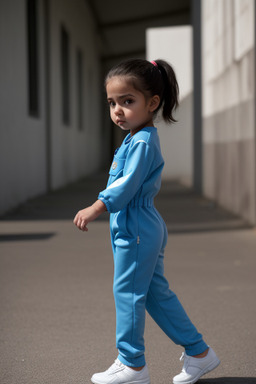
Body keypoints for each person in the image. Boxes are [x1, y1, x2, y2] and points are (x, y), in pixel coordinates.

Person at [73, 58, 220, 384]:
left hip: (136, 226)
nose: (118, 110)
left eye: (127, 101)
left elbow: (126, 185)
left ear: (152, 103)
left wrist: (98, 207)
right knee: (154, 294)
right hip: (138, 225)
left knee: (127, 292)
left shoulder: (142, 141)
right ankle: (199, 353)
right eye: (112, 102)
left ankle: (133, 365)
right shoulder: (135, 137)